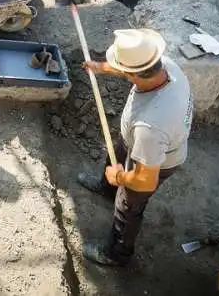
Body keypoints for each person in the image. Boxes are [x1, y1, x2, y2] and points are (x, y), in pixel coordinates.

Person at [77, 28, 193, 266]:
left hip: (155, 160)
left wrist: (120, 176)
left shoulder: (150, 128)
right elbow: (133, 69)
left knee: (128, 207)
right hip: (138, 140)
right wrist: (102, 67)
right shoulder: (166, 66)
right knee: (116, 155)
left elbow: (145, 180)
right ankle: (106, 189)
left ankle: (117, 254)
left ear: (134, 74)